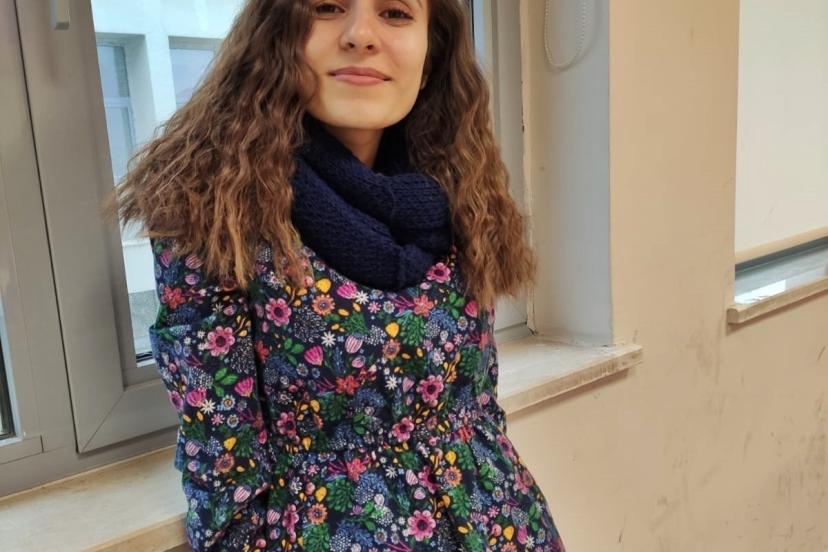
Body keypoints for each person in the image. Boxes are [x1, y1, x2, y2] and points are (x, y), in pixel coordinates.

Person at [101, 1, 566, 550]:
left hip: (504, 525)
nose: (360, 35)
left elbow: (479, 406)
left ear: (431, 51)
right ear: (277, 35)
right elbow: (225, 478)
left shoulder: (456, 191)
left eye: (395, 12)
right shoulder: (218, 210)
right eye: (326, 6)